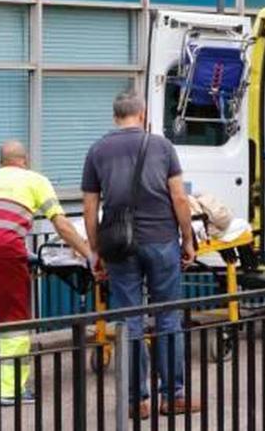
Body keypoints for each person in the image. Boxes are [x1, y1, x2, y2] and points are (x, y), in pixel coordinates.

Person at [82, 91, 198, 419]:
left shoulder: (97, 150)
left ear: (115, 116)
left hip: (118, 244)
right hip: (161, 240)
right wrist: (187, 239)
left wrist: (95, 250)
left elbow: (90, 206)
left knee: (129, 320)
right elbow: (179, 198)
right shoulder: (162, 146)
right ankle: (173, 396)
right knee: (168, 317)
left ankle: (136, 401)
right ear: (142, 114)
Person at [0, 140, 94, 404]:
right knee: (15, 319)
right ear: (25, 160)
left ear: (1, 162)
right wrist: (88, 252)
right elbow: (62, 225)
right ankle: (11, 390)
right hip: (5, 248)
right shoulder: (35, 180)